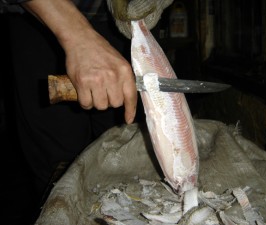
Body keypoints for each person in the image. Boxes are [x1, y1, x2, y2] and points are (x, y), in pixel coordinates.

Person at [0, 0, 173, 224]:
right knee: (58, 175)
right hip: (43, 20)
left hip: (126, 27)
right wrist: (78, 36)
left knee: (131, 163)